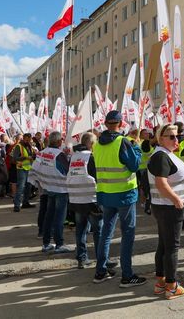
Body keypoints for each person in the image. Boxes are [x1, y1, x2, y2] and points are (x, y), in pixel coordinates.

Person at [93, 110, 145, 288]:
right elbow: (134, 165)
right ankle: (127, 275)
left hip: (105, 194)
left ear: (106, 124)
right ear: (120, 124)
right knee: (127, 235)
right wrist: (136, 147)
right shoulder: (122, 142)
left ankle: (101, 271)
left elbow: (91, 169)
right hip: (124, 195)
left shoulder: (97, 144)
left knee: (106, 233)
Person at [148, 124, 184, 300]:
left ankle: (161, 282)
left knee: (164, 245)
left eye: (177, 136)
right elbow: (161, 183)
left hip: (165, 206)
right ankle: (171, 286)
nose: (176, 139)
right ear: (161, 138)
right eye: (171, 136)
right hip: (169, 208)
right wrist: (177, 200)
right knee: (171, 247)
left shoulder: (164, 154)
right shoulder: (160, 156)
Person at [34, 131, 75, 253]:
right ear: (58, 142)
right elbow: (67, 170)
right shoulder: (59, 154)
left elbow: (36, 169)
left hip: (48, 188)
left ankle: (46, 243)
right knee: (59, 217)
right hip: (61, 189)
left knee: (49, 216)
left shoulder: (42, 153)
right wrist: (68, 158)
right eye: (61, 140)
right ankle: (59, 244)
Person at [67, 132, 103, 268]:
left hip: (76, 199)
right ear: (92, 144)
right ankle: (102, 259)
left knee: (80, 230)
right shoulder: (91, 157)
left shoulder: (73, 157)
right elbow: (97, 177)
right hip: (91, 199)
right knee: (98, 230)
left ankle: (82, 258)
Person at [12, 133, 36, 211]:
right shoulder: (18, 146)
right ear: (24, 138)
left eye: (29, 139)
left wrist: (34, 156)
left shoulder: (29, 146)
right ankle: (17, 205)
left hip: (29, 168)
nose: (28, 141)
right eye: (27, 139)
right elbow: (15, 158)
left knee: (28, 187)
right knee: (21, 187)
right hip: (21, 168)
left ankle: (25, 202)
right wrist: (25, 157)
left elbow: (32, 156)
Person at [139, 130, 156, 215]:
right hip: (144, 168)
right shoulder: (144, 143)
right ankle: (145, 203)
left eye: (147, 133)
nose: (147, 134)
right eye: (145, 133)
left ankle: (145, 203)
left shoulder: (145, 142)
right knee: (145, 187)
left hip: (146, 168)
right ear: (141, 135)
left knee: (144, 186)